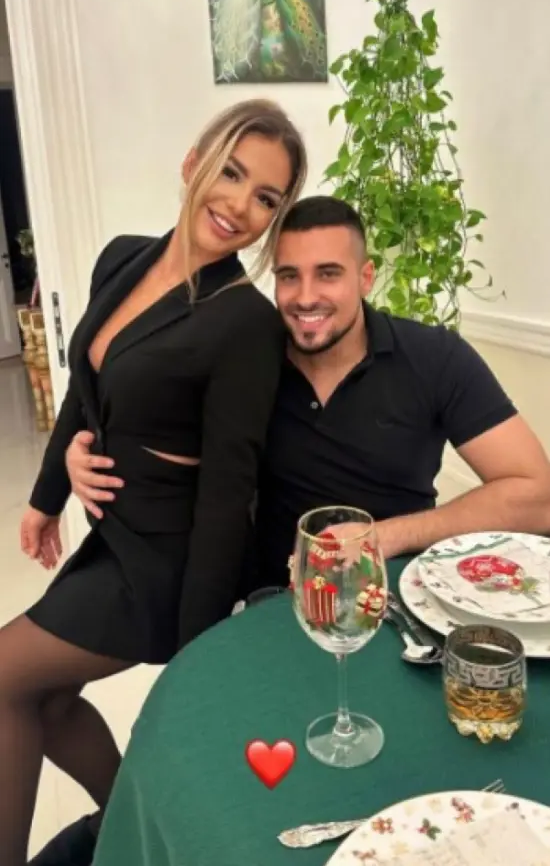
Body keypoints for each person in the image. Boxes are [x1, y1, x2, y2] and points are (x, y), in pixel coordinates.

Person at [9, 99, 307, 866]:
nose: (239, 205)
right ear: (192, 162)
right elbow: (87, 386)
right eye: (231, 172)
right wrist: (48, 496)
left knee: (4, 679)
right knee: (48, 701)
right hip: (113, 539)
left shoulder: (245, 322)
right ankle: (138, 830)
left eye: (266, 197)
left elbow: (230, 491)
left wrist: (197, 649)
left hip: (165, 565)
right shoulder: (123, 258)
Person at [64, 195, 550, 590]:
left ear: (365, 277)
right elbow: (157, 431)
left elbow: (537, 494)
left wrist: (386, 536)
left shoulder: (434, 357)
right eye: (289, 276)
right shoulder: (248, 357)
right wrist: (87, 452)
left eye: (328, 273)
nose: (305, 297)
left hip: (397, 595)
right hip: (273, 601)